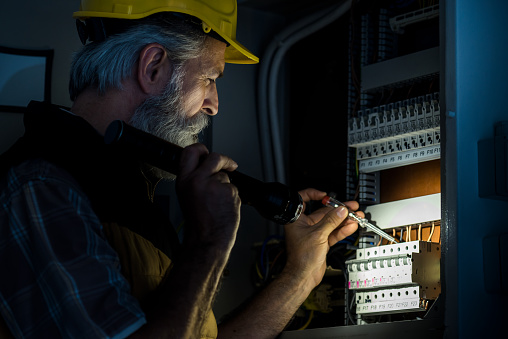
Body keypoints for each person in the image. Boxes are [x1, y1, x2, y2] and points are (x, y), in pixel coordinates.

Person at [0, 0, 361, 338]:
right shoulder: (43, 187)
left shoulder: (127, 193)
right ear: (153, 66)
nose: (213, 105)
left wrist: (300, 274)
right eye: (210, 79)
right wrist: (209, 239)